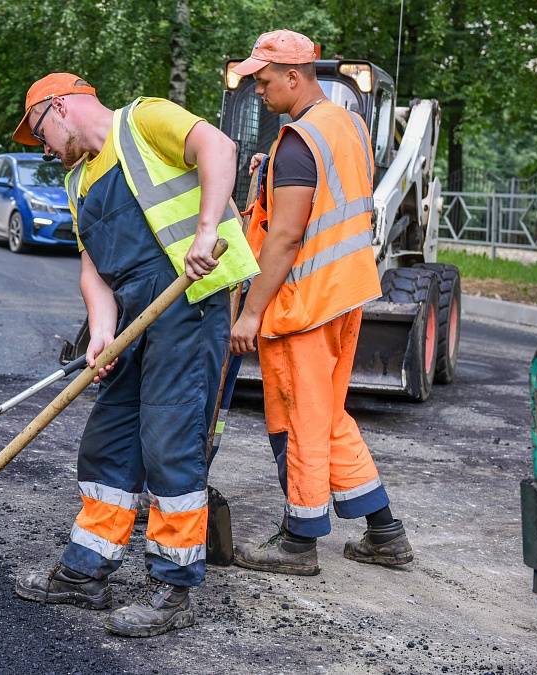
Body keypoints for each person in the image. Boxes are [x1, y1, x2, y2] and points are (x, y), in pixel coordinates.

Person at [9, 73, 258, 637]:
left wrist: (203, 231)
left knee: (170, 439)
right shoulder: (78, 182)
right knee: (110, 439)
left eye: (40, 130)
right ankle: (85, 572)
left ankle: (172, 587)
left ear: (61, 106)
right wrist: (101, 331)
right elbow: (93, 267)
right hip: (131, 315)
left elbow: (219, 147)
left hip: (188, 299)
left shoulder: (142, 120)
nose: (43, 146)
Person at [228, 30, 414, 576]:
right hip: (345, 294)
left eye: (263, 82)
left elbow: (285, 238)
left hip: (303, 304)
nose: (259, 91)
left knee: (300, 421)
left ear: (294, 76)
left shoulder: (298, 142)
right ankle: (385, 533)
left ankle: (297, 542)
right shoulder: (347, 124)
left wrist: (251, 312)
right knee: (329, 418)